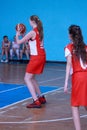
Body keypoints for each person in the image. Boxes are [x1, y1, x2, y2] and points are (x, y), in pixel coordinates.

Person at [16, 15, 46, 108]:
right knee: (32, 78)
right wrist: (24, 36)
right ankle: (41, 97)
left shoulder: (32, 31)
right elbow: (31, 41)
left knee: (27, 78)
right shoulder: (39, 31)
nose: (28, 22)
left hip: (36, 57)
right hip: (42, 55)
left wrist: (17, 34)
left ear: (32, 21)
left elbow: (18, 42)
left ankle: (36, 101)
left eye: (29, 21)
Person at [64, 25, 87, 130]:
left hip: (78, 77)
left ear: (70, 35)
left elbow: (69, 65)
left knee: (75, 105)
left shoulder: (69, 47)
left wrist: (65, 83)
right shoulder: (85, 47)